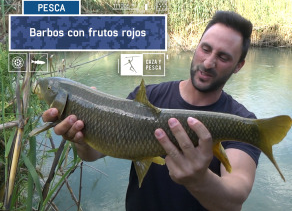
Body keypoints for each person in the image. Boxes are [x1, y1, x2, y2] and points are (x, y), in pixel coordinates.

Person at [42, 11, 261, 211]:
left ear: (238, 66)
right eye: (206, 49)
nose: (209, 62)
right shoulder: (148, 97)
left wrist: (199, 180)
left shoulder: (241, 121)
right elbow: (94, 153)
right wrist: (80, 137)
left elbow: (234, 199)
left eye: (223, 57)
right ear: (197, 47)